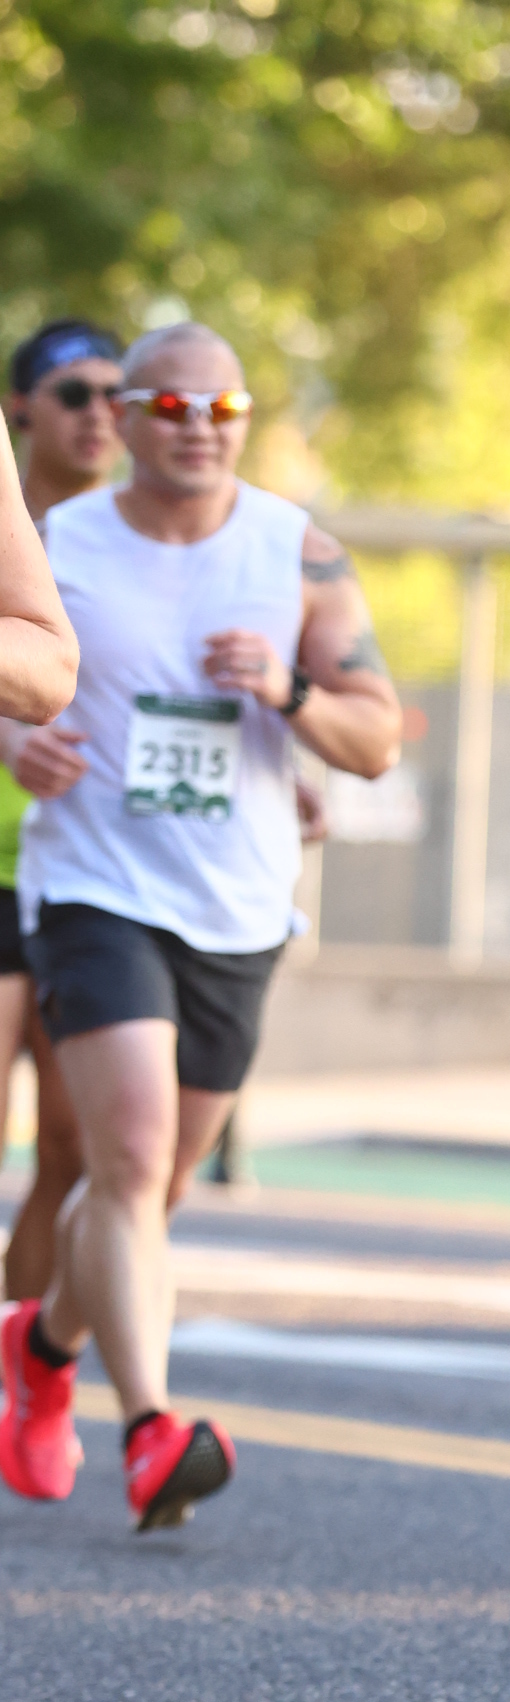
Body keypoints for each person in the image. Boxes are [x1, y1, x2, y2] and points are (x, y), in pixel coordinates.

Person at [0, 320, 401, 1530]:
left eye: (221, 410)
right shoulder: (59, 540)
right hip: (95, 888)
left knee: (158, 1183)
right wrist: (16, 742)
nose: (197, 430)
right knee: (123, 1159)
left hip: (237, 901)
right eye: (170, 408)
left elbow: (375, 737)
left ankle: (42, 1347)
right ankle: (153, 1427)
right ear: (126, 418)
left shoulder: (296, 550)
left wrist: (287, 690)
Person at [0, 319, 126, 1301]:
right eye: (75, 393)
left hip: (87, 869)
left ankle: (19, 1341)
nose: (100, 414)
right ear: (23, 408)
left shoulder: (148, 539)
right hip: (5, 867)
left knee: (73, 1146)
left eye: (117, 395)